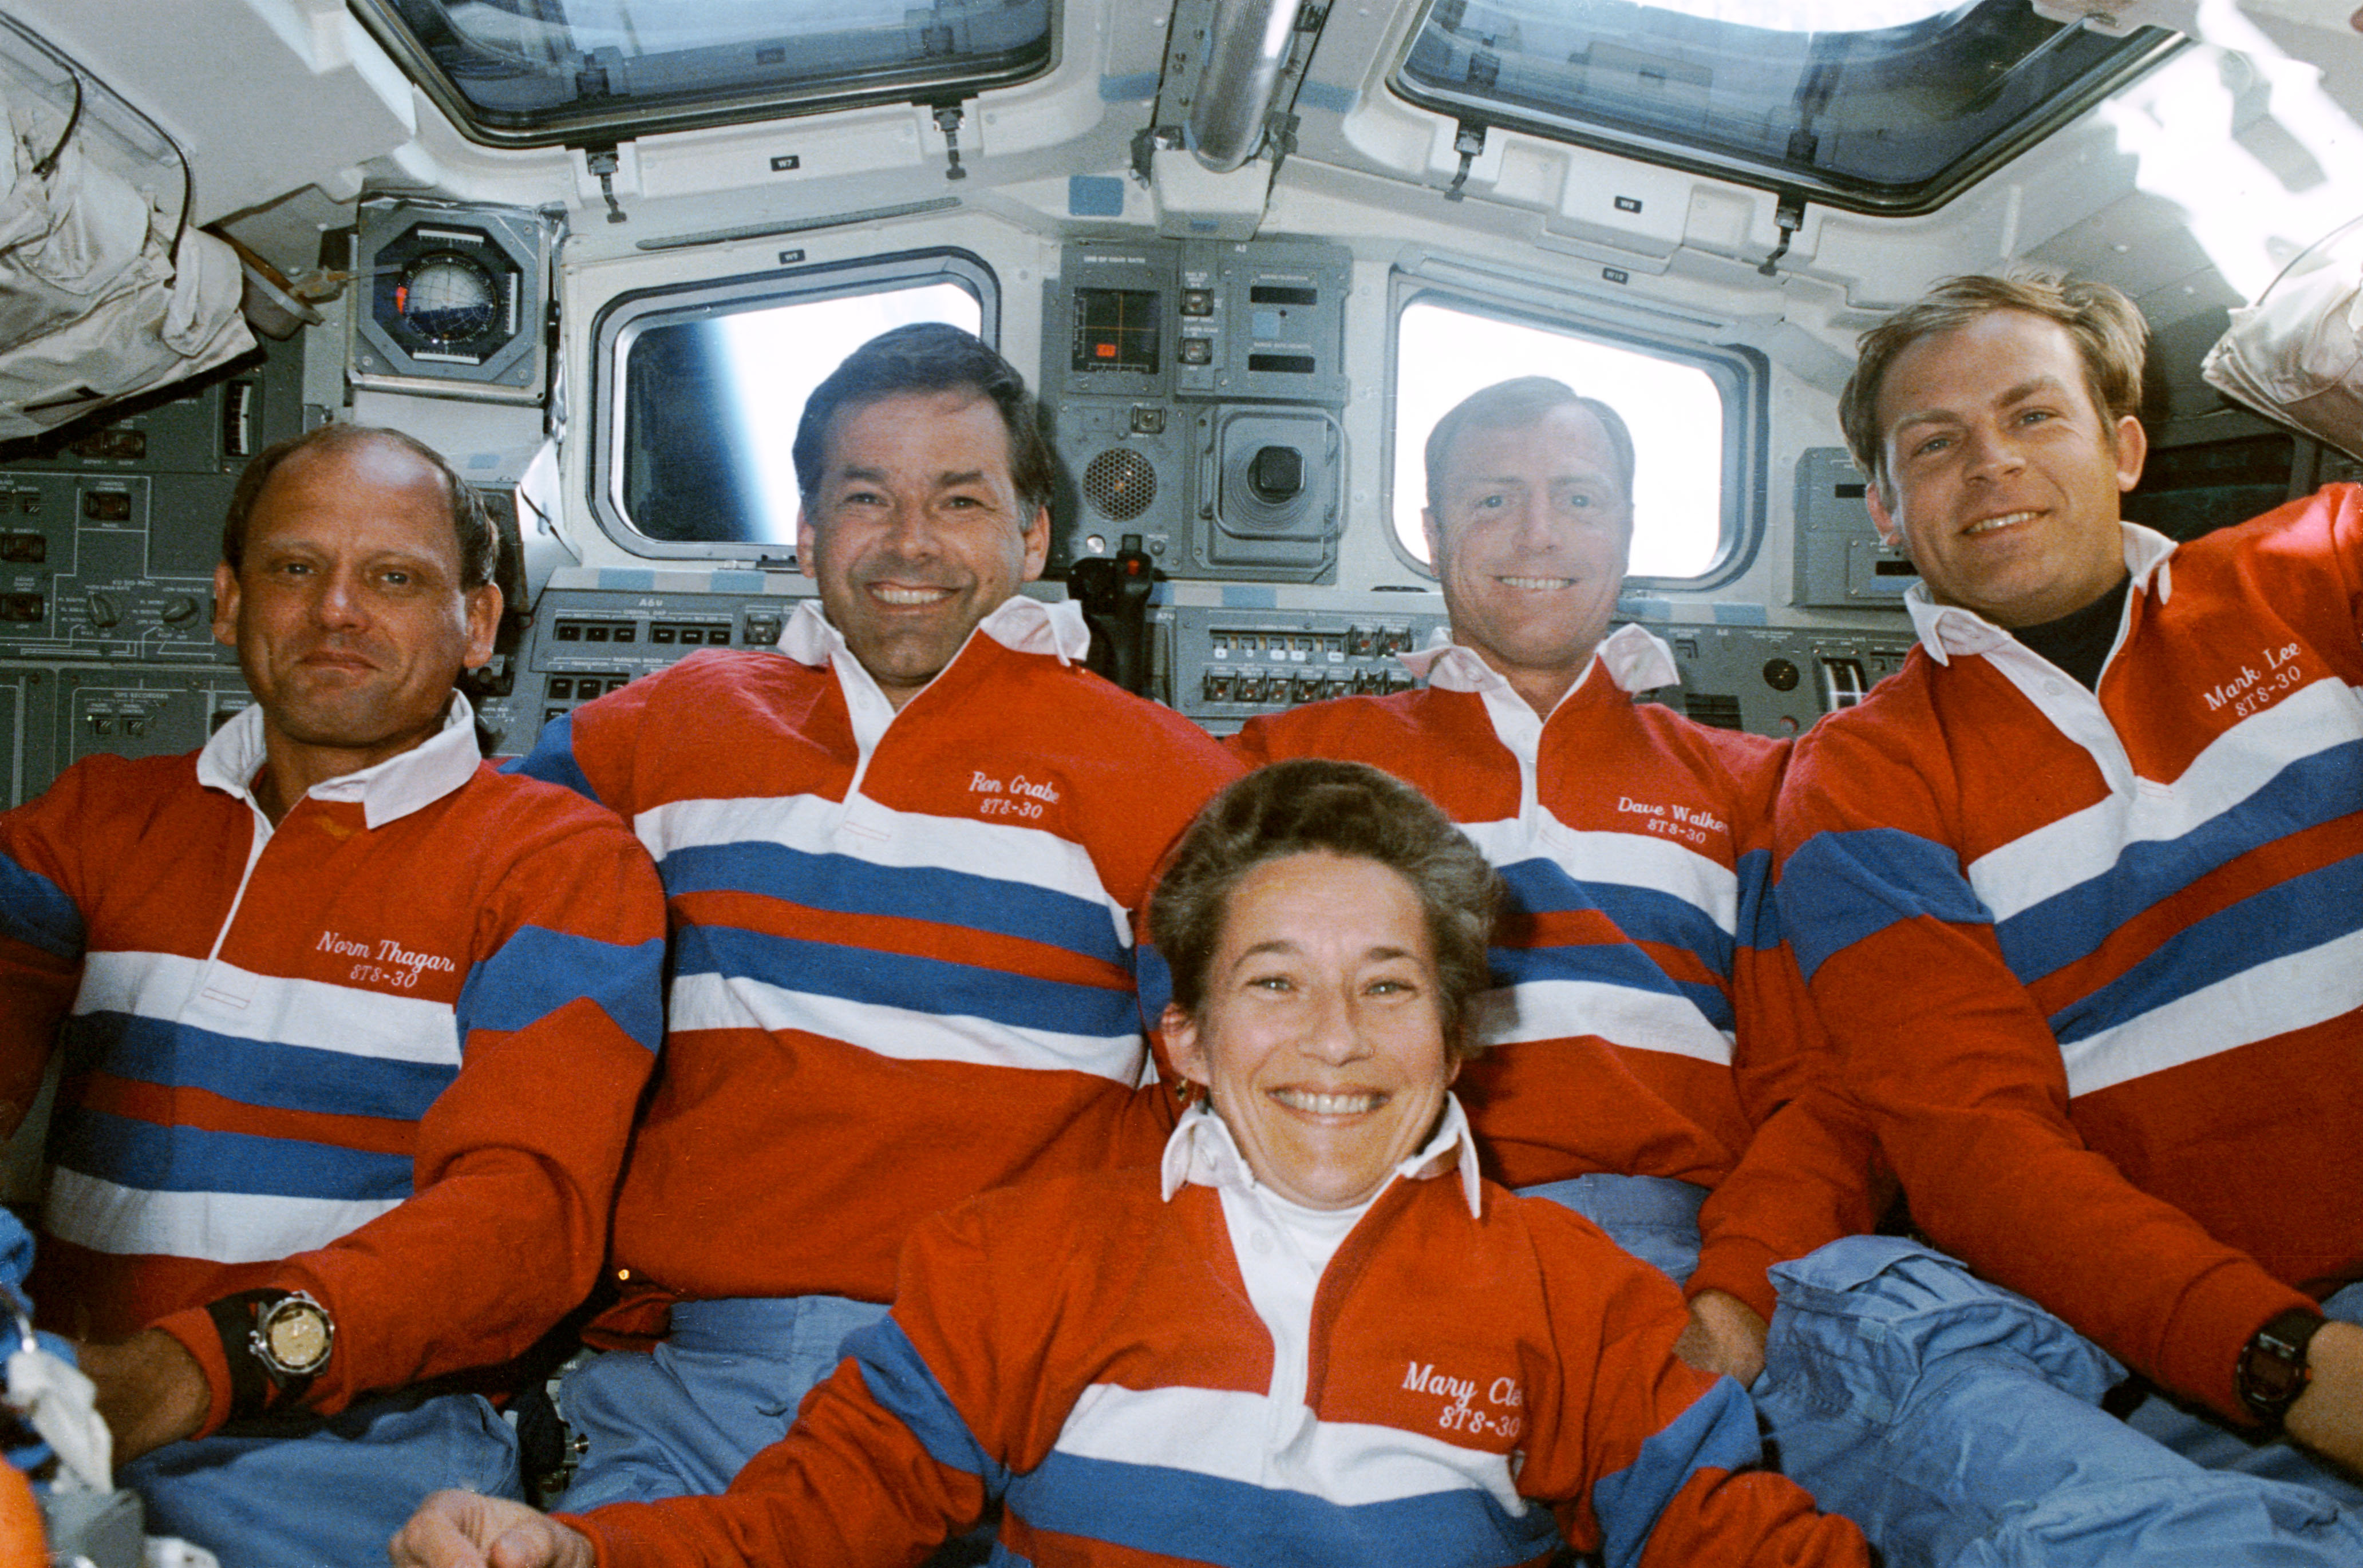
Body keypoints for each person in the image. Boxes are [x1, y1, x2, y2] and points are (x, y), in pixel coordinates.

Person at [393, 759, 1872, 1568]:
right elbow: (807, 1519)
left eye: (1391, 984)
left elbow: (1726, 1529)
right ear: (1184, 1037)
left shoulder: (1576, 1294)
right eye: (1275, 983)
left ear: (1461, 1028)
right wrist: (575, 1552)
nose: (1336, 1042)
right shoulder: (1013, 1261)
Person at [505, 322, 1243, 1507]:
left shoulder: (1165, 775)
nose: (911, 542)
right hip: (702, 1386)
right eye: (867, 497)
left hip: (1011, 1384)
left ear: (1033, 534)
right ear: (807, 531)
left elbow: (1242, 1090)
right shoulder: (666, 728)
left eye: (960, 499)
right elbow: (456, 877)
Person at [1765, 267, 2363, 1562]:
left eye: (2034, 416)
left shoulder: (2320, 570)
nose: (1990, 465)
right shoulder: (1861, 777)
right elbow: (1981, 1151)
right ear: (1885, 504)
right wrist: (2295, 1363)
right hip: (2203, 1362)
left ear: (2126, 446)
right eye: (1935, 444)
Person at [0, 424, 667, 1566]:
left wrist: (192, 1366)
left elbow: (522, 1217)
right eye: (295, 568)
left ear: (479, 625)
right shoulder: (97, 818)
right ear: (227, 602)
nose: (337, 612)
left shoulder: (554, 861)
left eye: (395, 577)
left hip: (355, 1449)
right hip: (62, 1412)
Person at [1233, 377, 1885, 1384]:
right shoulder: (1298, 760)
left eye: (1579, 499)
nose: (1538, 535)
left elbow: (1821, 1086)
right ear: (1432, 531)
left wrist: (1735, 1304)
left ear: (1626, 528)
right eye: (1493, 499)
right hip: (1369, 1231)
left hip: (1680, 1244)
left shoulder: (1748, 783)